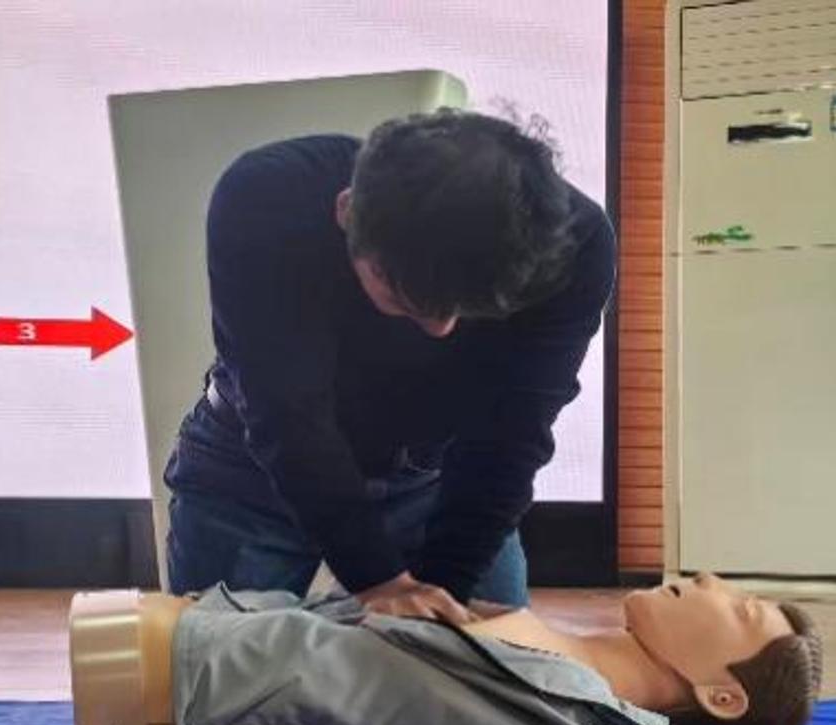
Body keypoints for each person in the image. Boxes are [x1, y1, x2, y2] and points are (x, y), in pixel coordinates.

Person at [163, 107, 616, 622]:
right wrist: (379, 579)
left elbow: (511, 435)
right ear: (346, 212)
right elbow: (288, 413)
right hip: (251, 473)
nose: (440, 328)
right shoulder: (266, 198)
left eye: (467, 310)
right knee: (220, 660)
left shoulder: (571, 248)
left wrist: (442, 595)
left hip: (433, 481)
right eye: (405, 301)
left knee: (486, 661)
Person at [68, 572, 823, 725]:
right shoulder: (572, 667)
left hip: (168, 688)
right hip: (188, 635)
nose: (710, 579)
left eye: (742, 610)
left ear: (722, 696)